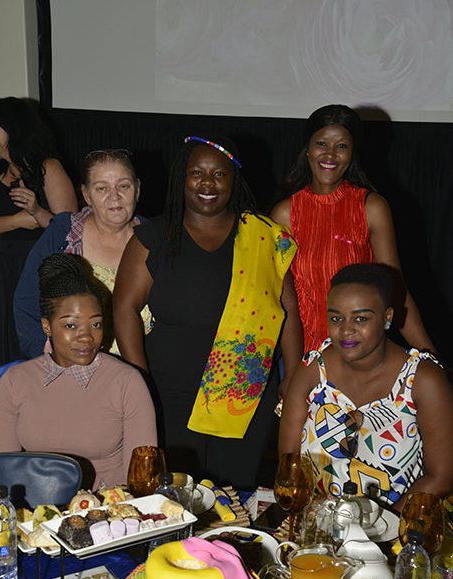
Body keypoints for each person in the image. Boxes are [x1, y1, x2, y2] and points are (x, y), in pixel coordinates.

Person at [113, 134, 301, 489]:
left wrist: (292, 375)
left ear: (234, 180)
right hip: (169, 394)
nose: (207, 183)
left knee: (233, 495)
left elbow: (287, 310)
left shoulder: (263, 237)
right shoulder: (153, 236)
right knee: (174, 494)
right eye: (196, 172)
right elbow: (124, 307)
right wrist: (139, 378)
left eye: (219, 174)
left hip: (245, 396)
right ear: (181, 178)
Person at [278, 263, 453, 511]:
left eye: (361, 318)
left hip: (396, 522)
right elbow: (289, 464)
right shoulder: (311, 370)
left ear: (387, 317)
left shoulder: (423, 381)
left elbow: (440, 477)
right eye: (336, 318)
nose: (346, 330)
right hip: (316, 519)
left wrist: (380, 524)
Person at [271, 104, 435, 357]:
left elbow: (396, 289)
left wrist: (429, 355)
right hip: (307, 357)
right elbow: (284, 302)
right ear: (307, 149)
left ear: (352, 154)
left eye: (341, 146)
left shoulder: (371, 208)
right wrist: (293, 370)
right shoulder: (285, 214)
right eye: (321, 144)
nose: (330, 154)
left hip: (363, 357)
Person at [0, 253, 157, 490]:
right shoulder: (15, 381)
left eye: (95, 324)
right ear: (46, 325)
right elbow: (0, 475)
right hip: (37, 509)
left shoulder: (127, 382)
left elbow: (143, 481)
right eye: (70, 325)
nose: (86, 337)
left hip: (112, 507)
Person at [14, 148, 151, 358]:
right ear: (86, 195)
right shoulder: (63, 234)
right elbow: (26, 303)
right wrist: (49, 361)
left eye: (124, 186)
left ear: (138, 189)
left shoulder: (156, 239)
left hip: (143, 367)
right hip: (74, 369)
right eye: (102, 188)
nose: (114, 196)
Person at [0, 96, 77, 373]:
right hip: (1, 271)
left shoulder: (49, 168)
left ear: (12, 129)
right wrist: (16, 220)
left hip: (38, 270)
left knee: (34, 347)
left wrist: (37, 212)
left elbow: (72, 229)